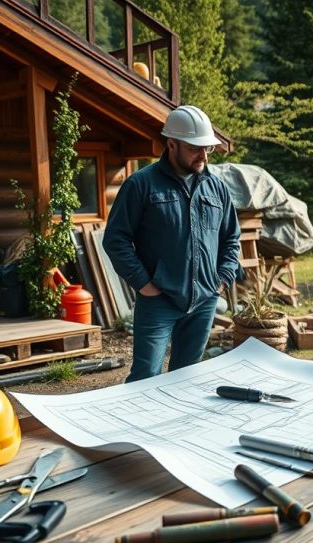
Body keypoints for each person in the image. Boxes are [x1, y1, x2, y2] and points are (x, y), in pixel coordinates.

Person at [103, 105, 241, 382]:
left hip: (203, 301)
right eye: (195, 148)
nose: (203, 155)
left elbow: (231, 239)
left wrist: (222, 280)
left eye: (208, 148)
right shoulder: (141, 185)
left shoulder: (217, 189)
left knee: (187, 378)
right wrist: (144, 284)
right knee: (146, 377)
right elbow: (115, 239)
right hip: (158, 301)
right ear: (172, 144)